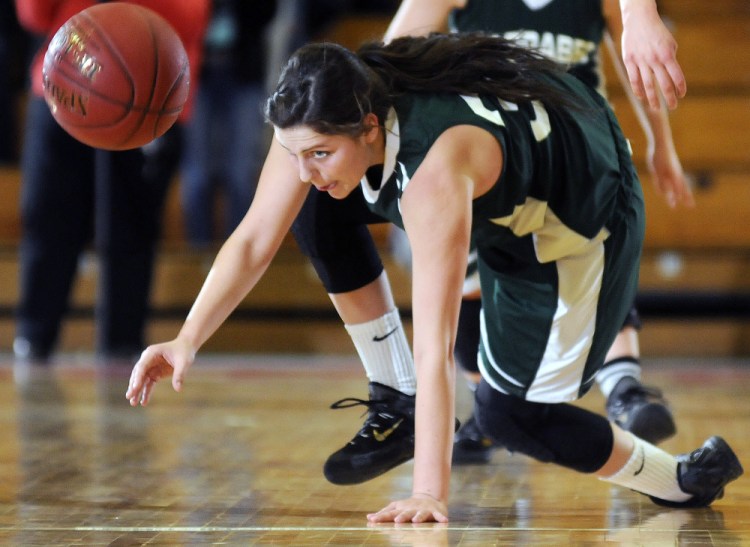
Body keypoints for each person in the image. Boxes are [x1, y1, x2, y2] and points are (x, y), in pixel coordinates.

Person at [126, 34, 743, 522]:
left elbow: (436, 341)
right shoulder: (328, 112)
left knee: (511, 418)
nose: (305, 168)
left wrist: (429, 492)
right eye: (295, 154)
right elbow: (254, 239)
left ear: (369, 129)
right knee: (313, 209)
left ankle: (683, 479)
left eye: (319, 154)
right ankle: (393, 397)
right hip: (509, 191)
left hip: (580, 217)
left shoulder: (435, 177)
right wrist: (186, 339)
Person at [382, 0, 694, 465]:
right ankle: (488, 404)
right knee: (467, 277)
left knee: (597, 241)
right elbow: (388, 61)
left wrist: (661, 145)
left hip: (577, 153)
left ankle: (624, 387)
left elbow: (639, 65)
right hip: (498, 156)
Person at [13, 0, 209, 362]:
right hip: (64, 85)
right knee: (48, 220)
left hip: (148, 91)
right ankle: (33, 339)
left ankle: (122, 350)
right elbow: (34, 15)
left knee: (130, 231)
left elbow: (192, 17)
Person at [179, 0, 277, 248]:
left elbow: (267, 12)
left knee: (241, 173)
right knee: (197, 172)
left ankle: (240, 253)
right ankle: (198, 255)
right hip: (197, 72)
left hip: (244, 71)